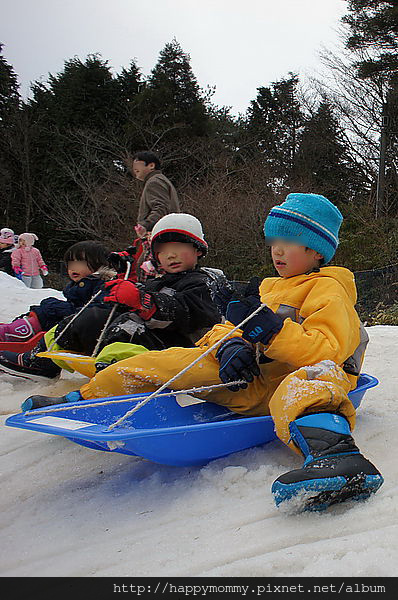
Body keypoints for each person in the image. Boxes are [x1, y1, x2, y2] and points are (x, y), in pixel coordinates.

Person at [20, 193, 383, 512]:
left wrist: (272, 331)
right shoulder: (269, 289)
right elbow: (221, 328)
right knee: (161, 361)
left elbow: (328, 350)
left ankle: (336, 457)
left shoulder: (329, 291)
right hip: (252, 382)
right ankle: (83, 401)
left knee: (312, 379)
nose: (277, 250)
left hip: (299, 382)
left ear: (316, 249)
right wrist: (229, 347)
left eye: (289, 241)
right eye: (274, 240)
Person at [1, 214, 223, 381]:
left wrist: (144, 302)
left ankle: (115, 378)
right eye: (163, 251)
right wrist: (122, 289)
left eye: (178, 247)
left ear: (198, 250)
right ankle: (42, 360)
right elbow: (133, 300)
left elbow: (193, 313)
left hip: (176, 349)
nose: (171, 255)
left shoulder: (203, 282)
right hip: (149, 340)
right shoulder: (158, 282)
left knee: (128, 328)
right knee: (91, 315)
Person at [0, 241, 113, 369]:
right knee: (48, 306)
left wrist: (60, 309)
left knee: (51, 309)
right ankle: (15, 329)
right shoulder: (83, 283)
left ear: (99, 265)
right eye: (70, 264)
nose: (72, 268)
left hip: (80, 326)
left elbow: (97, 311)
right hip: (71, 320)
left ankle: (14, 333)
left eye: (79, 263)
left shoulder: (104, 285)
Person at [129, 151, 180, 280]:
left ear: (151, 165)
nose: (134, 168)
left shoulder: (154, 181)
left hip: (157, 235)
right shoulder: (159, 180)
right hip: (165, 234)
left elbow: (160, 208)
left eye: (137, 164)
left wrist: (145, 225)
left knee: (148, 271)